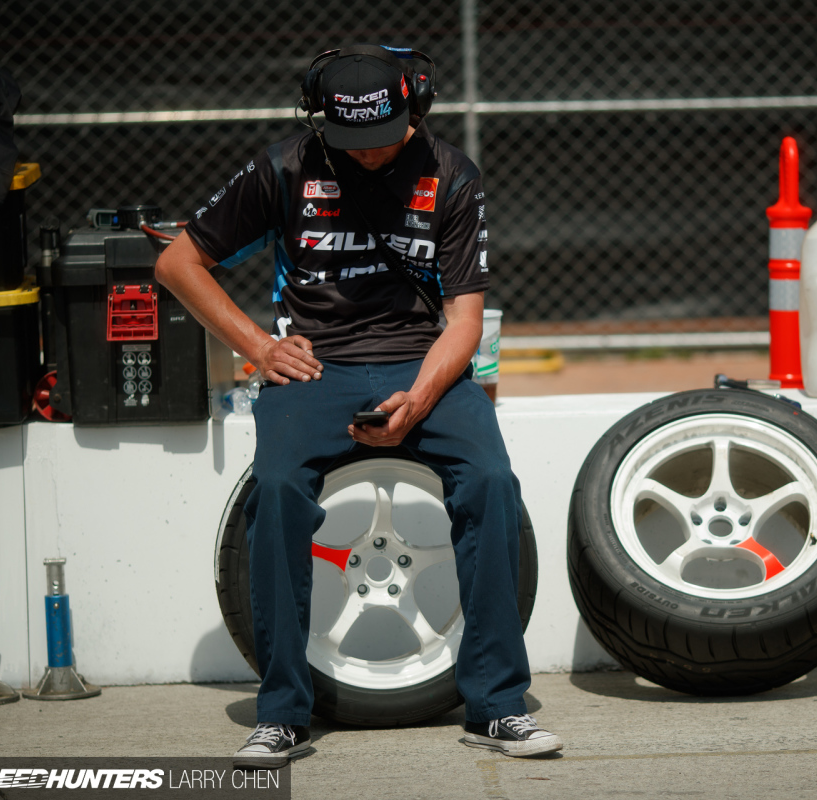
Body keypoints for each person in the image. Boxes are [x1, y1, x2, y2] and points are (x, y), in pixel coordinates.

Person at [154, 43, 561, 767]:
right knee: (276, 492)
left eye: (383, 139)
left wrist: (424, 394)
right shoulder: (283, 165)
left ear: (415, 110)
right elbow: (177, 261)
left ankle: (497, 707)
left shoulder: (453, 174)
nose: (369, 155)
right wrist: (259, 345)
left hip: (422, 360)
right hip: (313, 366)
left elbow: (465, 321)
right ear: (321, 121)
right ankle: (281, 713)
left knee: (493, 483)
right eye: (351, 144)